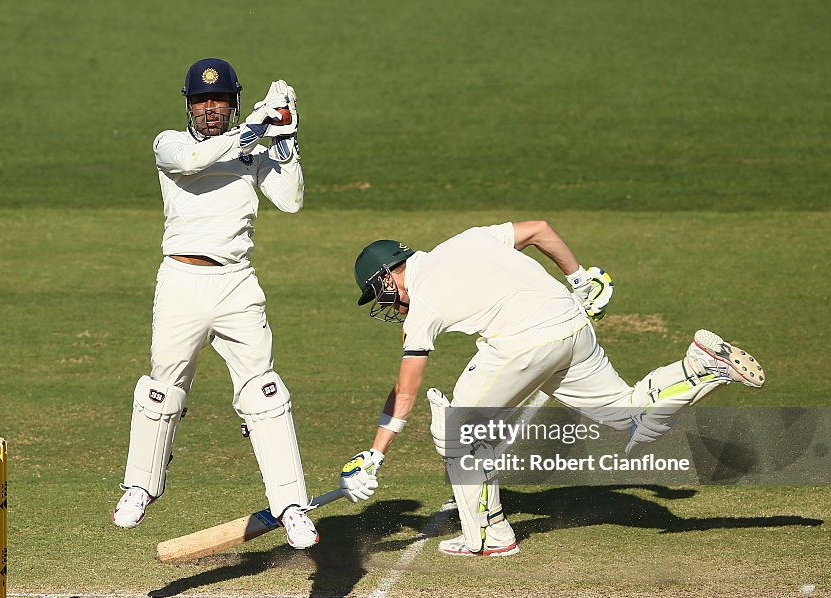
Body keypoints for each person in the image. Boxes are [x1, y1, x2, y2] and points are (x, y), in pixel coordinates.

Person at [337, 220, 764, 556]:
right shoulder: (469, 239)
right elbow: (540, 228)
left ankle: (488, 536)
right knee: (628, 413)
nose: (386, 304)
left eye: (379, 293)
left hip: (525, 342)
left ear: (388, 276)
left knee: (455, 433)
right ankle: (698, 369)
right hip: (572, 321)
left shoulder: (422, 303)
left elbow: (406, 391)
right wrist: (579, 278)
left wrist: (374, 454)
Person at [112, 57, 318, 550]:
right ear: (188, 105)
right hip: (182, 280)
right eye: (202, 100)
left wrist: (286, 137)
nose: (210, 108)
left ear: (232, 104)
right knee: (163, 389)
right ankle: (140, 487)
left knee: (264, 393)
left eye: (220, 100)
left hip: (236, 284)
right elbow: (194, 163)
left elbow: (290, 201)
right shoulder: (171, 143)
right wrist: (254, 128)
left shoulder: (250, 152)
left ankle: (291, 506)